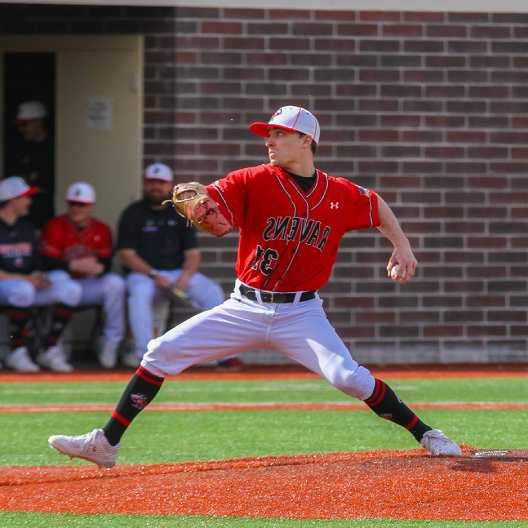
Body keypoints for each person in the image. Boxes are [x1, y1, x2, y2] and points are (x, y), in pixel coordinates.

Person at [48, 106, 461, 467]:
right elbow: (210, 196)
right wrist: (198, 201)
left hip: (301, 312)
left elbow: (375, 205)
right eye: (269, 134)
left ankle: (426, 432)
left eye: (280, 134)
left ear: (305, 140)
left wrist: (401, 246)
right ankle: (105, 443)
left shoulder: (338, 194)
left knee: (348, 377)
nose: (271, 140)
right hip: (244, 307)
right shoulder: (253, 180)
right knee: (159, 353)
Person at [114, 162, 225, 368]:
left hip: (176, 274)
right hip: (145, 275)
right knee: (139, 293)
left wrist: (185, 276)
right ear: (144, 184)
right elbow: (126, 254)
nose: (156, 187)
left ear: (170, 185)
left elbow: (193, 254)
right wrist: (154, 274)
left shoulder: (181, 212)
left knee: (212, 291)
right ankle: (145, 354)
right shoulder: (133, 213)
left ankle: (217, 353)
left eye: (161, 183)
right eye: (151, 182)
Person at [40, 182, 126, 369]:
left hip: (87, 285)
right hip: (62, 285)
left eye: (82, 204)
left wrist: (95, 268)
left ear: (91, 206)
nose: (76, 208)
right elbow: (47, 261)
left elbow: (105, 264)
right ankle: (51, 345)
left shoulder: (101, 229)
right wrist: (73, 265)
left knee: (116, 283)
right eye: (72, 203)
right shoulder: (55, 225)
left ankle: (110, 342)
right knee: (63, 281)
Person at [0, 176, 82, 373]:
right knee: (23, 290)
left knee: (69, 288)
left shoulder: (26, 228)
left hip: (26, 285)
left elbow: (36, 262)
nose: (29, 201)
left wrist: (39, 276)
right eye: (25, 197)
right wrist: (27, 279)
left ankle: (49, 348)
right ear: (13, 200)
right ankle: (16, 350)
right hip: (8, 285)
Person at [8, 101, 55, 228]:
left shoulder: (54, 147)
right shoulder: (20, 148)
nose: (21, 129)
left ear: (38, 122)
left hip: (45, 214)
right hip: (21, 216)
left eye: (24, 124)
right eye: (19, 125)